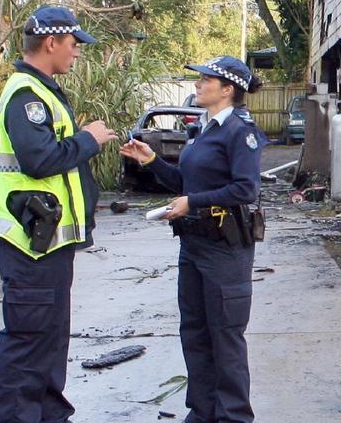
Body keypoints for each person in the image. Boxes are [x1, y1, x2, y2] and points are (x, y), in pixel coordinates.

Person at [0, 5, 117, 423]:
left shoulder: (42, 91)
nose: (77, 53)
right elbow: (39, 160)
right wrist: (89, 140)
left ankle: (47, 415)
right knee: (27, 342)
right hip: (28, 244)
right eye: (74, 44)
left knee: (48, 339)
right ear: (51, 42)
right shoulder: (26, 95)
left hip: (47, 243)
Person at [120, 55, 262, 423]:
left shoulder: (239, 131)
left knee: (226, 337)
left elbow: (246, 189)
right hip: (193, 245)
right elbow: (185, 183)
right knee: (195, 333)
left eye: (205, 79)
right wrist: (151, 161)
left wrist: (192, 203)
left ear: (227, 89)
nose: (197, 84)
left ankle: (232, 417)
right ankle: (202, 413)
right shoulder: (203, 128)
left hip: (225, 248)